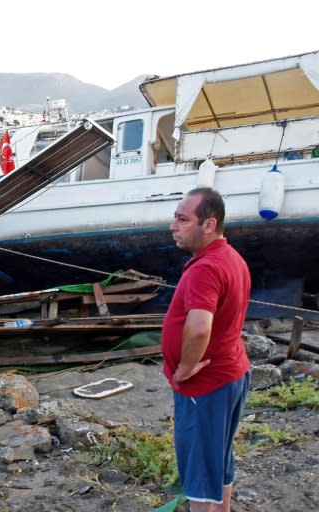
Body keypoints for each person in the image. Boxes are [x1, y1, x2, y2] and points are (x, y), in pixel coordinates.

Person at [161, 187, 252, 512]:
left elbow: (199, 328)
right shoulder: (232, 258)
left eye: (183, 219)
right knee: (219, 455)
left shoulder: (205, 268)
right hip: (232, 372)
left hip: (207, 382)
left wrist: (184, 368)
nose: (173, 226)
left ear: (209, 224)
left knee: (199, 467)